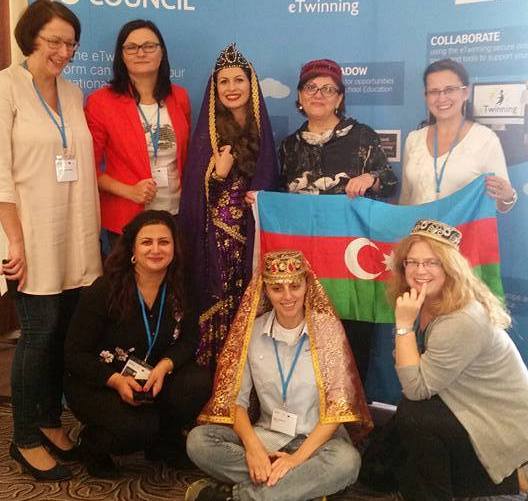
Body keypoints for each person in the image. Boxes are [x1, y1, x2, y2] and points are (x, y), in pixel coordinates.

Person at [0, 0, 101, 481]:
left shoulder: (73, 92)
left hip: (74, 234)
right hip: (32, 235)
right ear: (30, 38)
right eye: (54, 41)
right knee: (37, 336)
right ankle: (23, 438)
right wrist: (14, 242)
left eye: (71, 43)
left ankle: (48, 421)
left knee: (63, 335)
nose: (64, 51)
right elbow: (0, 175)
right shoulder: (5, 88)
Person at [185, 250, 372, 501]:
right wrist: (254, 450)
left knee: (347, 462)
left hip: (315, 443)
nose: (287, 296)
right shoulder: (252, 332)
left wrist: (296, 460)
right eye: (277, 288)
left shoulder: (328, 331)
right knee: (199, 441)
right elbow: (236, 401)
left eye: (295, 286)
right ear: (265, 290)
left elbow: (337, 411)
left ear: (307, 285)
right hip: (266, 436)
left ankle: (240, 496)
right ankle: (295, 487)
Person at [64, 210, 211, 478]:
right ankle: (93, 445)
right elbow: (74, 354)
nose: (156, 249)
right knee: (139, 428)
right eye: (146, 242)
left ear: (174, 247)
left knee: (198, 382)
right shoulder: (104, 290)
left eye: (164, 242)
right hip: (100, 382)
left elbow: (189, 340)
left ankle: (163, 443)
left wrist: (165, 366)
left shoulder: (181, 287)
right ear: (132, 248)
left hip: (152, 378)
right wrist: (116, 381)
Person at [388, 219, 528, 500]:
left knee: (414, 415)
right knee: (399, 435)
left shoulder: (461, 319)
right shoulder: (424, 300)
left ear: (449, 267)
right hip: (466, 402)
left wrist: (403, 326)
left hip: (499, 422)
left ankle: (508, 481)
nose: (419, 270)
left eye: (431, 262)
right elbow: (410, 365)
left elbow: (415, 387)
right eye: (412, 262)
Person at [279, 59, 398, 384]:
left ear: (339, 97)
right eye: (311, 87)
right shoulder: (288, 146)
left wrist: (371, 178)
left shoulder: (362, 137)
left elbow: (390, 182)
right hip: (308, 264)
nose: (318, 94)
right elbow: (281, 201)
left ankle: (352, 413)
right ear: (300, 96)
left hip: (352, 264)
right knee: (307, 348)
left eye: (328, 89)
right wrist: (260, 201)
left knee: (352, 348)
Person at [179, 44, 278, 369]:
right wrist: (217, 174)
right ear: (215, 88)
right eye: (224, 81)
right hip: (215, 246)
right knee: (217, 304)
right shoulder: (207, 134)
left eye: (239, 80)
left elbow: (271, 182)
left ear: (251, 85)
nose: (231, 88)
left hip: (252, 241)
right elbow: (194, 195)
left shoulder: (262, 132)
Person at [85, 19, 191, 245]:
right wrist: (129, 191)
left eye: (149, 46)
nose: (141, 53)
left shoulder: (179, 97)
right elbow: (88, 167)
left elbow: (186, 156)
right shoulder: (101, 102)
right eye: (132, 47)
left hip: (175, 214)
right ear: (121, 55)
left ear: (161, 53)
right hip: (127, 217)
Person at [399, 58, 517, 212]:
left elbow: (501, 205)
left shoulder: (485, 139)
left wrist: (508, 197)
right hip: (417, 228)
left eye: (449, 90)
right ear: (426, 96)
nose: (442, 98)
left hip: (463, 228)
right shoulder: (413, 139)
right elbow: (406, 198)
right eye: (434, 91)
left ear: (465, 92)